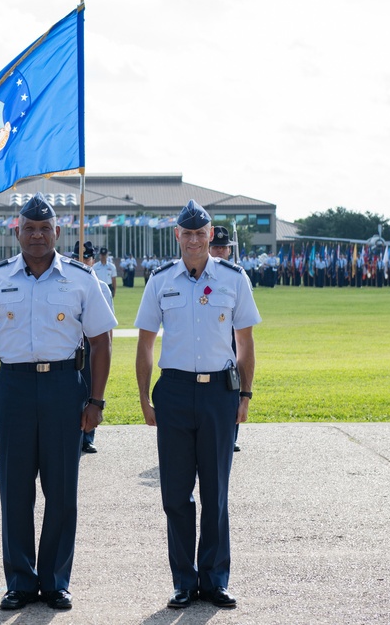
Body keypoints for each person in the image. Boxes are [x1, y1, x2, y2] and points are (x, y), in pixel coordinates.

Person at [0, 194, 116, 612]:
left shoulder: (83, 279)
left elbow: (101, 342)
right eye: (29, 227)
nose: (36, 235)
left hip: (65, 387)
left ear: (57, 233)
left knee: (62, 491)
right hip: (12, 388)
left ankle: (55, 581)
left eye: (44, 228)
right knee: (15, 491)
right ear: (17, 231)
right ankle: (20, 582)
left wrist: (95, 400)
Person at [134, 200, 261, 610]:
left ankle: (215, 579)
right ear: (178, 236)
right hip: (172, 392)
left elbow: (245, 343)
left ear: (210, 235)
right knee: (175, 494)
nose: (193, 239)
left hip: (218, 395)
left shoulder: (234, 278)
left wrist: (245, 394)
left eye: (200, 233)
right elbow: (145, 343)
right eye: (186, 234)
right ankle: (184, 582)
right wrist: (144, 398)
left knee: (216, 492)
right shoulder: (160, 280)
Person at [75, 241, 113, 454]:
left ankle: (88, 437)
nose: (82, 262)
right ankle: (74, 434)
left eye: (86, 258)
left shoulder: (102, 288)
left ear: (92, 261)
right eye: (78, 257)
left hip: (93, 345)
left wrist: (110, 348)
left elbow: (109, 325)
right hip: (72, 346)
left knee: (92, 391)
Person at [208, 226, 242, 453]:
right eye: (216, 247)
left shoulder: (237, 276)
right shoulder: (199, 274)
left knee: (233, 386)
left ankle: (232, 435)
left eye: (223, 247)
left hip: (232, 338)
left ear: (229, 251)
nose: (220, 251)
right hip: (211, 340)